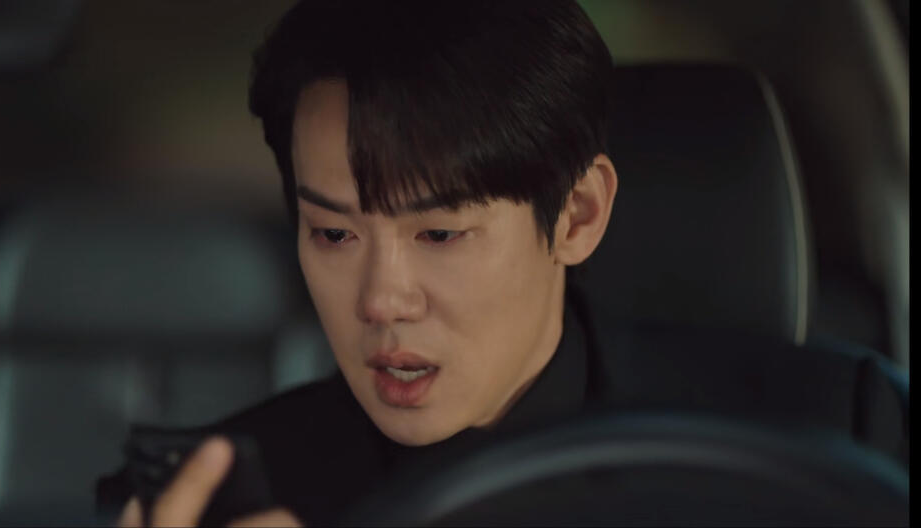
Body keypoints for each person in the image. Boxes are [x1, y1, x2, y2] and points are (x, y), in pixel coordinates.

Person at [98, 1, 907, 526]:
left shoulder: (845, 433)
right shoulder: (214, 499)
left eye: (440, 234)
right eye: (335, 235)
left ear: (578, 215)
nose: (381, 301)